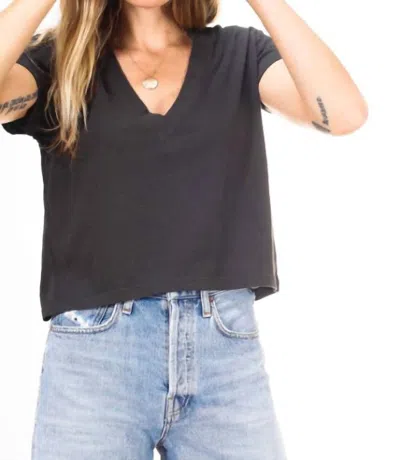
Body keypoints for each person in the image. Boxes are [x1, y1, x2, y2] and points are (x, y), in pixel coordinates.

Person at [0, 0, 367, 458]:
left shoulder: (239, 53)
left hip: (226, 354)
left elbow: (344, 114)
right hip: (96, 357)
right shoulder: (58, 64)